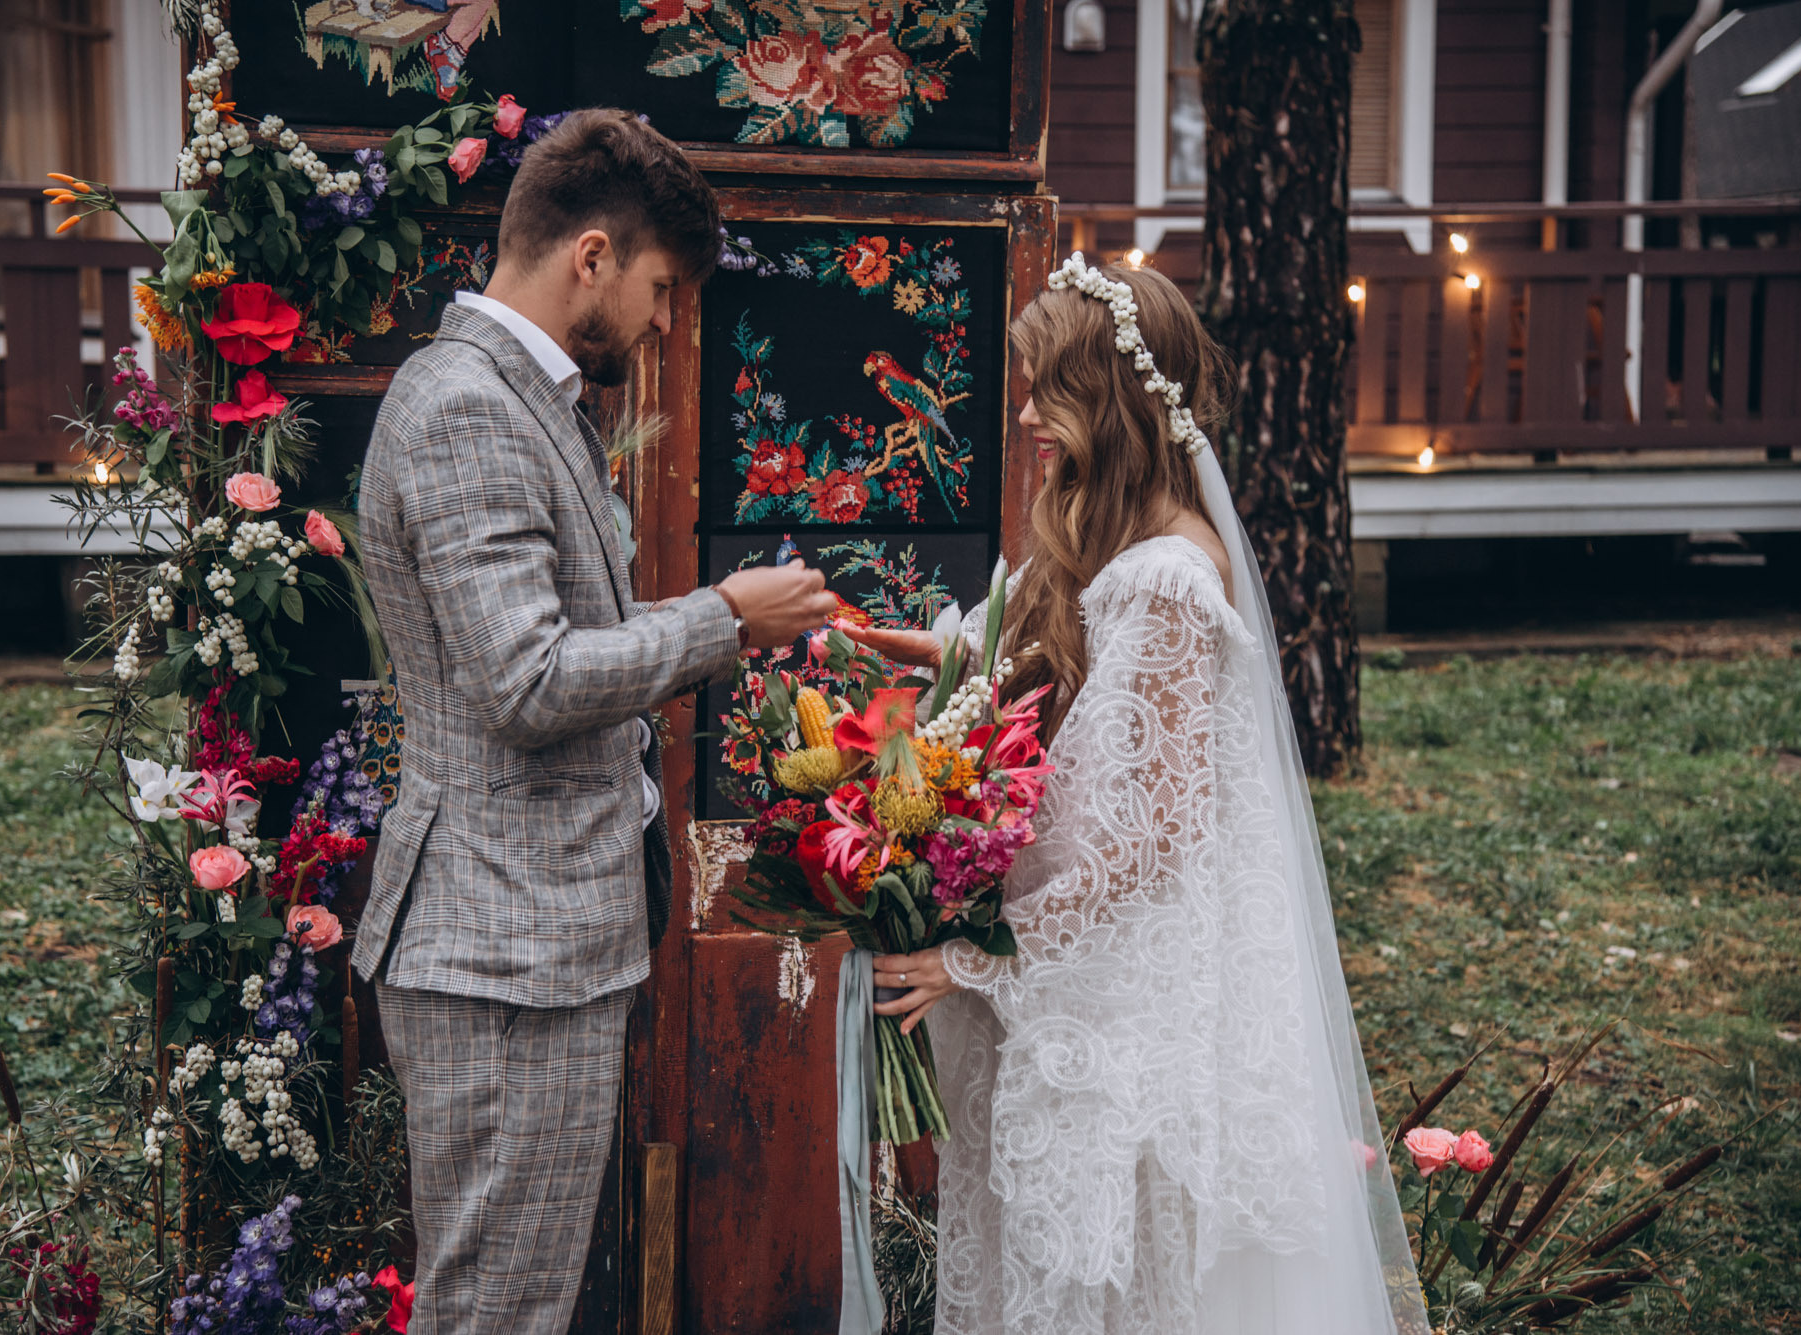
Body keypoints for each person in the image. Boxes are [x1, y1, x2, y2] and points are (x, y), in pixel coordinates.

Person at [844, 256, 1427, 1334]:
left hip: (1122, 1003)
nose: (1023, 414)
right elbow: (1016, 656)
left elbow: (1144, 836)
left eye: (1044, 388)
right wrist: (924, 660)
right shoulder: (1090, 534)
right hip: (1071, 975)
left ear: (1109, 398)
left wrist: (971, 956)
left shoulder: (1165, 577)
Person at [349, 109, 836, 1335]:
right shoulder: (469, 409)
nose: (665, 324)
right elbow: (526, 685)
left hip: (532, 943)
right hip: (501, 956)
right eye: (662, 289)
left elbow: (556, 636)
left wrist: (735, 618)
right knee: (497, 1311)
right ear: (592, 258)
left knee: (519, 1300)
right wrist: (723, 615)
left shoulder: (517, 396)